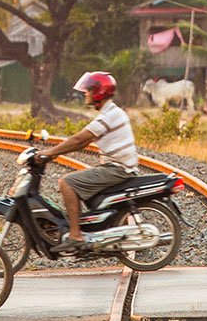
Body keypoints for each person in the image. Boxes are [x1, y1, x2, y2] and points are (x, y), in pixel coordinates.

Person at [41, 71, 140, 248]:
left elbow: (79, 139)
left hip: (117, 169)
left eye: (88, 90)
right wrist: (55, 153)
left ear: (99, 92)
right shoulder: (111, 112)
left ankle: (75, 235)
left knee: (67, 183)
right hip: (119, 166)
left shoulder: (108, 116)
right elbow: (82, 143)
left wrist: (48, 153)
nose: (85, 93)